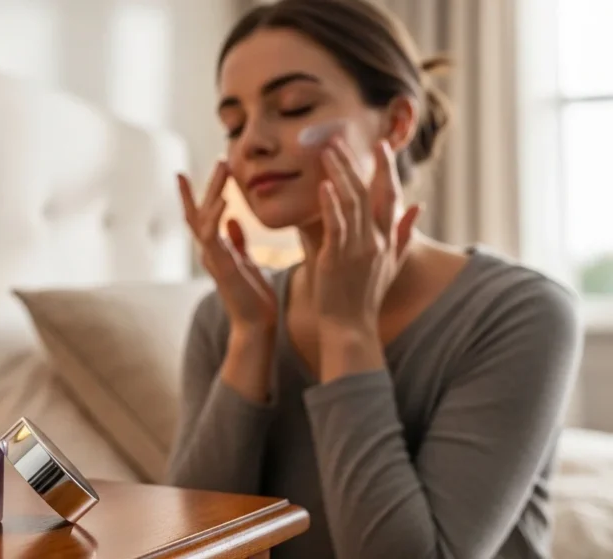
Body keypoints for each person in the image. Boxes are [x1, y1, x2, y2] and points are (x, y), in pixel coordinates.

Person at [166, 1, 583, 558]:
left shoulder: (521, 312)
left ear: (397, 122)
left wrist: (348, 330)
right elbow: (189, 546)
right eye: (233, 125)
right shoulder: (226, 318)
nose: (251, 143)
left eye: (293, 107)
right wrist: (250, 338)